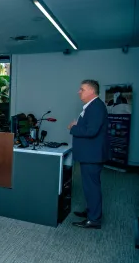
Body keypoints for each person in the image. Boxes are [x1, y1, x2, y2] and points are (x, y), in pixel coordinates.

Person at [68, 79, 109, 230]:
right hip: (90, 154)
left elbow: (91, 131)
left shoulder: (96, 107)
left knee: (92, 186)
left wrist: (73, 127)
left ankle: (94, 219)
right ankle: (92, 212)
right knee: (90, 186)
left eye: (82, 89)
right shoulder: (92, 106)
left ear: (91, 91)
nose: (79, 92)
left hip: (92, 155)